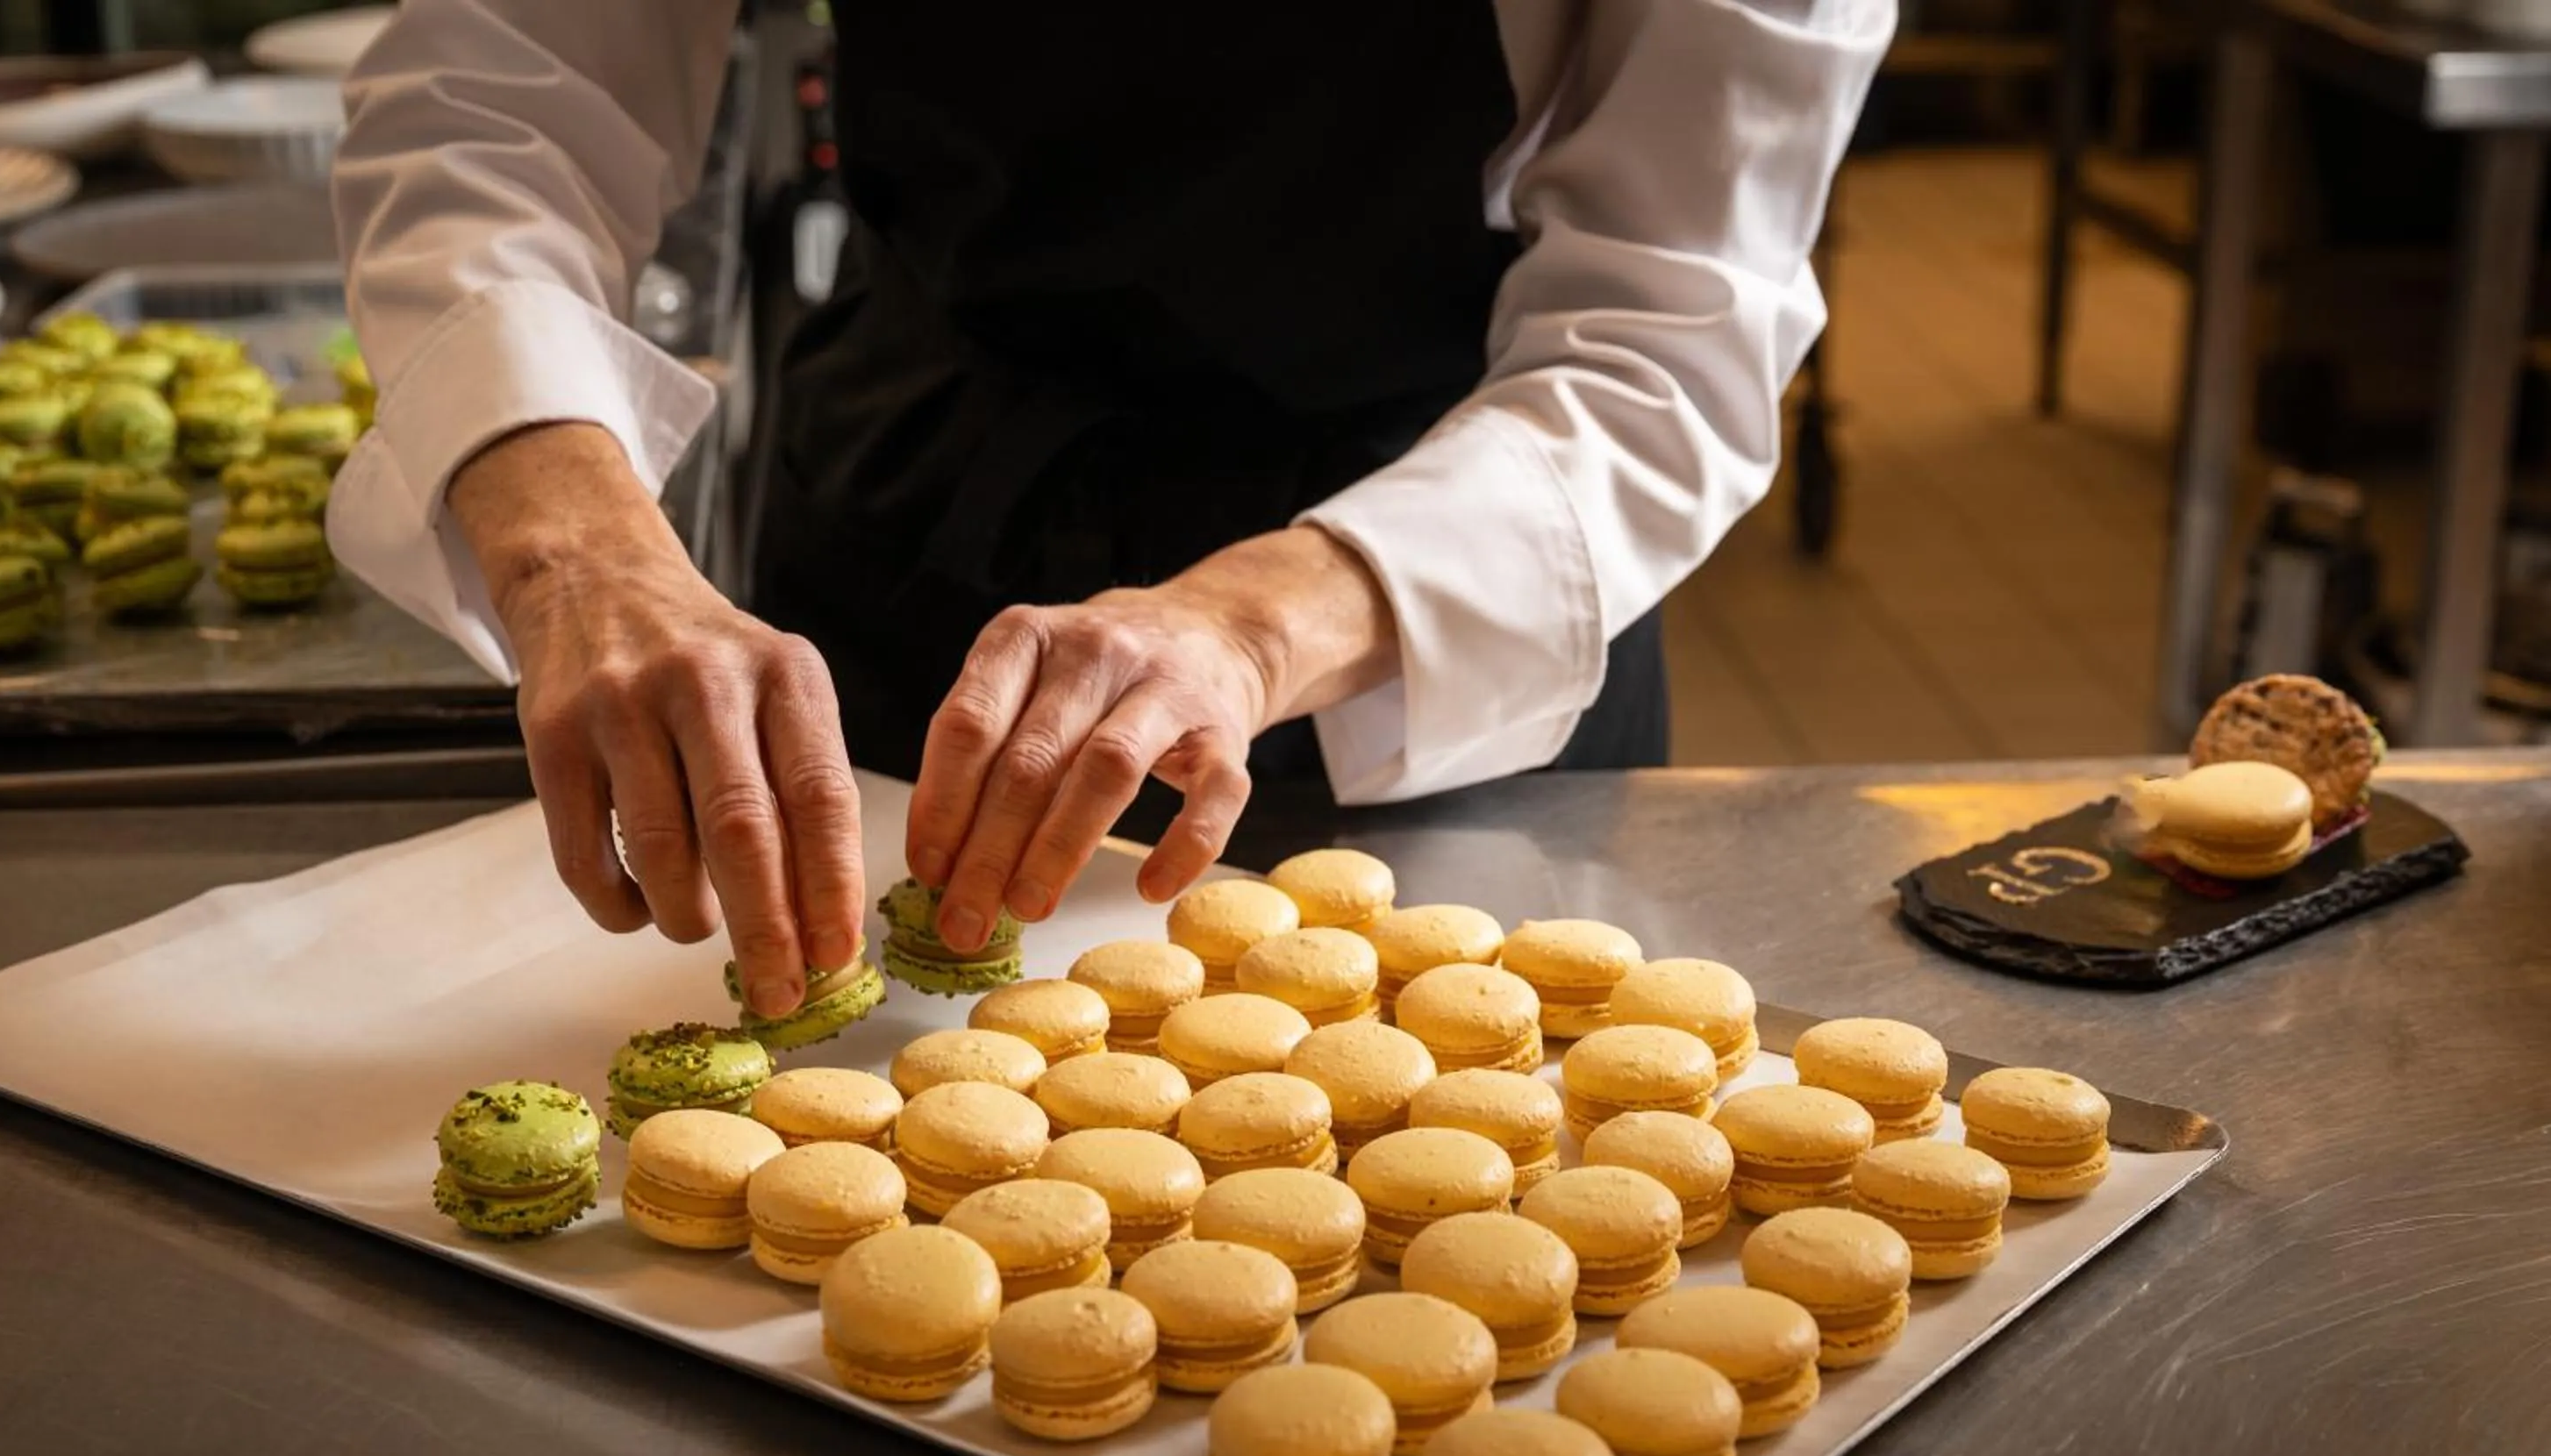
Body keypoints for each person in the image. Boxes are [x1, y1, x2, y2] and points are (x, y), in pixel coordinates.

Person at [329, 1, 1890, 1023]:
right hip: (918, 517)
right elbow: (495, 86)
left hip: (1446, 573)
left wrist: (1254, 627)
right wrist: (574, 546)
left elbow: (1672, 328)